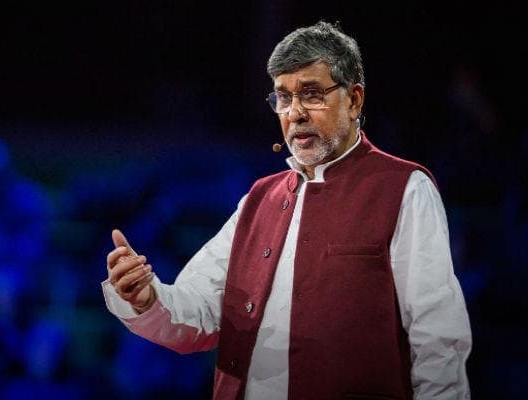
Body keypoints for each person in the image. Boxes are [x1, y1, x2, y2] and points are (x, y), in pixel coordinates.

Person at [102, 21, 472, 400]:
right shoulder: (259, 199)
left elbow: (438, 339)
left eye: (311, 95)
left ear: (354, 100)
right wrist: (146, 298)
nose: (295, 113)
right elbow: (200, 312)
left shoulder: (404, 188)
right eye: (283, 97)